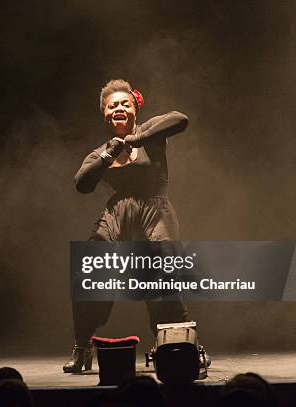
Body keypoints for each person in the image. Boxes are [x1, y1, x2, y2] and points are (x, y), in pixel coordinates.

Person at [64, 79, 190, 373]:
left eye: (125, 103)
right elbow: (82, 183)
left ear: (135, 109)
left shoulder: (152, 134)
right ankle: (82, 348)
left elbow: (180, 119)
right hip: (119, 214)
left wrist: (136, 138)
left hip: (154, 210)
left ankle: (183, 346)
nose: (118, 108)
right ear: (105, 114)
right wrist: (111, 153)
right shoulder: (101, 151)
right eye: (112, 105)